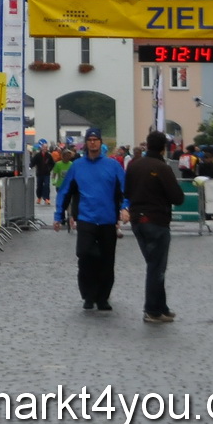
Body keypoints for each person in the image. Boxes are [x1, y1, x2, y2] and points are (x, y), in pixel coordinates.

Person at [54, 127, 126, 311]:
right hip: (86, 219)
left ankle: (103, 298)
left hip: (108, 220)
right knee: (85, 255)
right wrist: (58, 215)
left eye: (96, 139)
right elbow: (65, 191)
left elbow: (126, 190)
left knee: (107, 260)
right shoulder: (77, 166)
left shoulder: (113, 166)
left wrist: (125, 208)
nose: (93, 142)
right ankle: (88, 295)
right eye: (90, 139)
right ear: (85, 143)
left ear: (101, 142)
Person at [125, 129, 184, 323]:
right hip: (156, 220)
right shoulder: (162, 168)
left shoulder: (134, 165)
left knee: (154, 264)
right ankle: (151, 309)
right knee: (156, 267)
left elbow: (126, 192)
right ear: (164, 148)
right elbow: (178, 197)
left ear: (147, 144)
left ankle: (161, 306)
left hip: (137, 220)